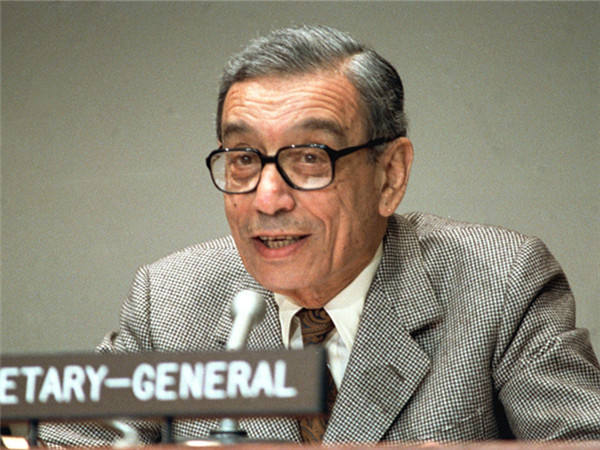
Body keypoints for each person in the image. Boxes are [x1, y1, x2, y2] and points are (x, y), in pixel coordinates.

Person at [39, 25, 600, 446]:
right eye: (243, 158)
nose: (268, 199)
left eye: (310, 158)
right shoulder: (170, 299)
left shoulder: (501, 283)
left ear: (390, 175)